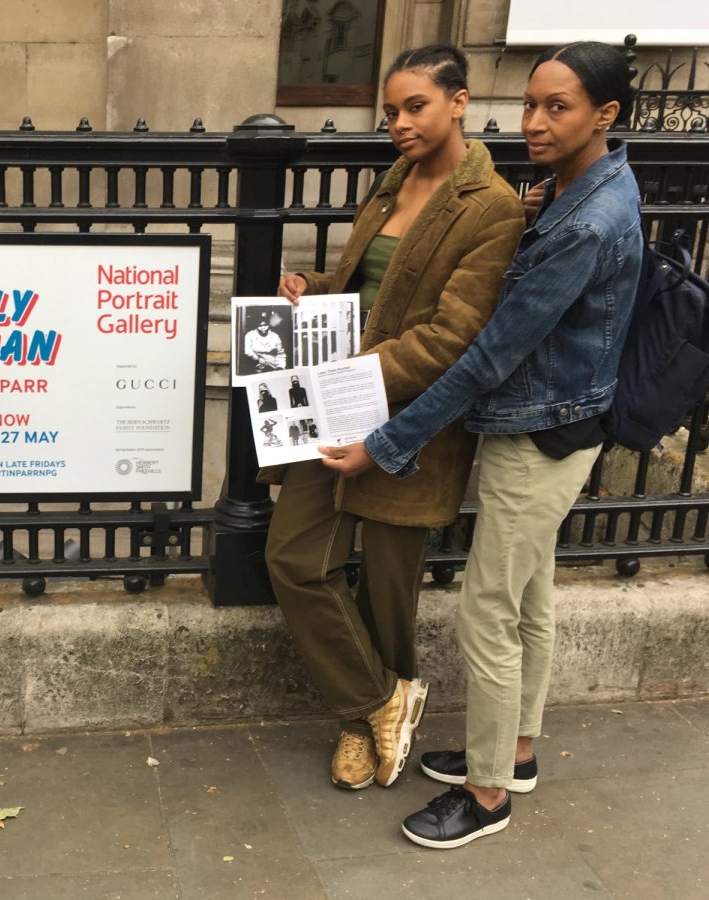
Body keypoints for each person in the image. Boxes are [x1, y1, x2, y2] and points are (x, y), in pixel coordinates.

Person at [321, 42, 642, 848]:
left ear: (603, 115)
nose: (533, 121)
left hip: (540, 432)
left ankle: (489, 794)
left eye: (557, 107)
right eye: (531, 102)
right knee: (531, 601)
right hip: (553, 422)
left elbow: (490, 353)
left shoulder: (588, 221)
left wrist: (386, 444)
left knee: (488, 614)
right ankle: (518, 750)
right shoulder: (575, 190)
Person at [266, 44, 525, 793]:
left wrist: (349, 377)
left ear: (459, 101)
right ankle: (377, 702)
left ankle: (362, 726)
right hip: (339, 406)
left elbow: (454, 335)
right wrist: (311, 287)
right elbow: (370, 291)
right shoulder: (391, 186)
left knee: (386, 586)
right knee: (294, 559)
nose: (399, 123)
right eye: (390, 111)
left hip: (413, 427)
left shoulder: (493, 208)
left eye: (415, 106)